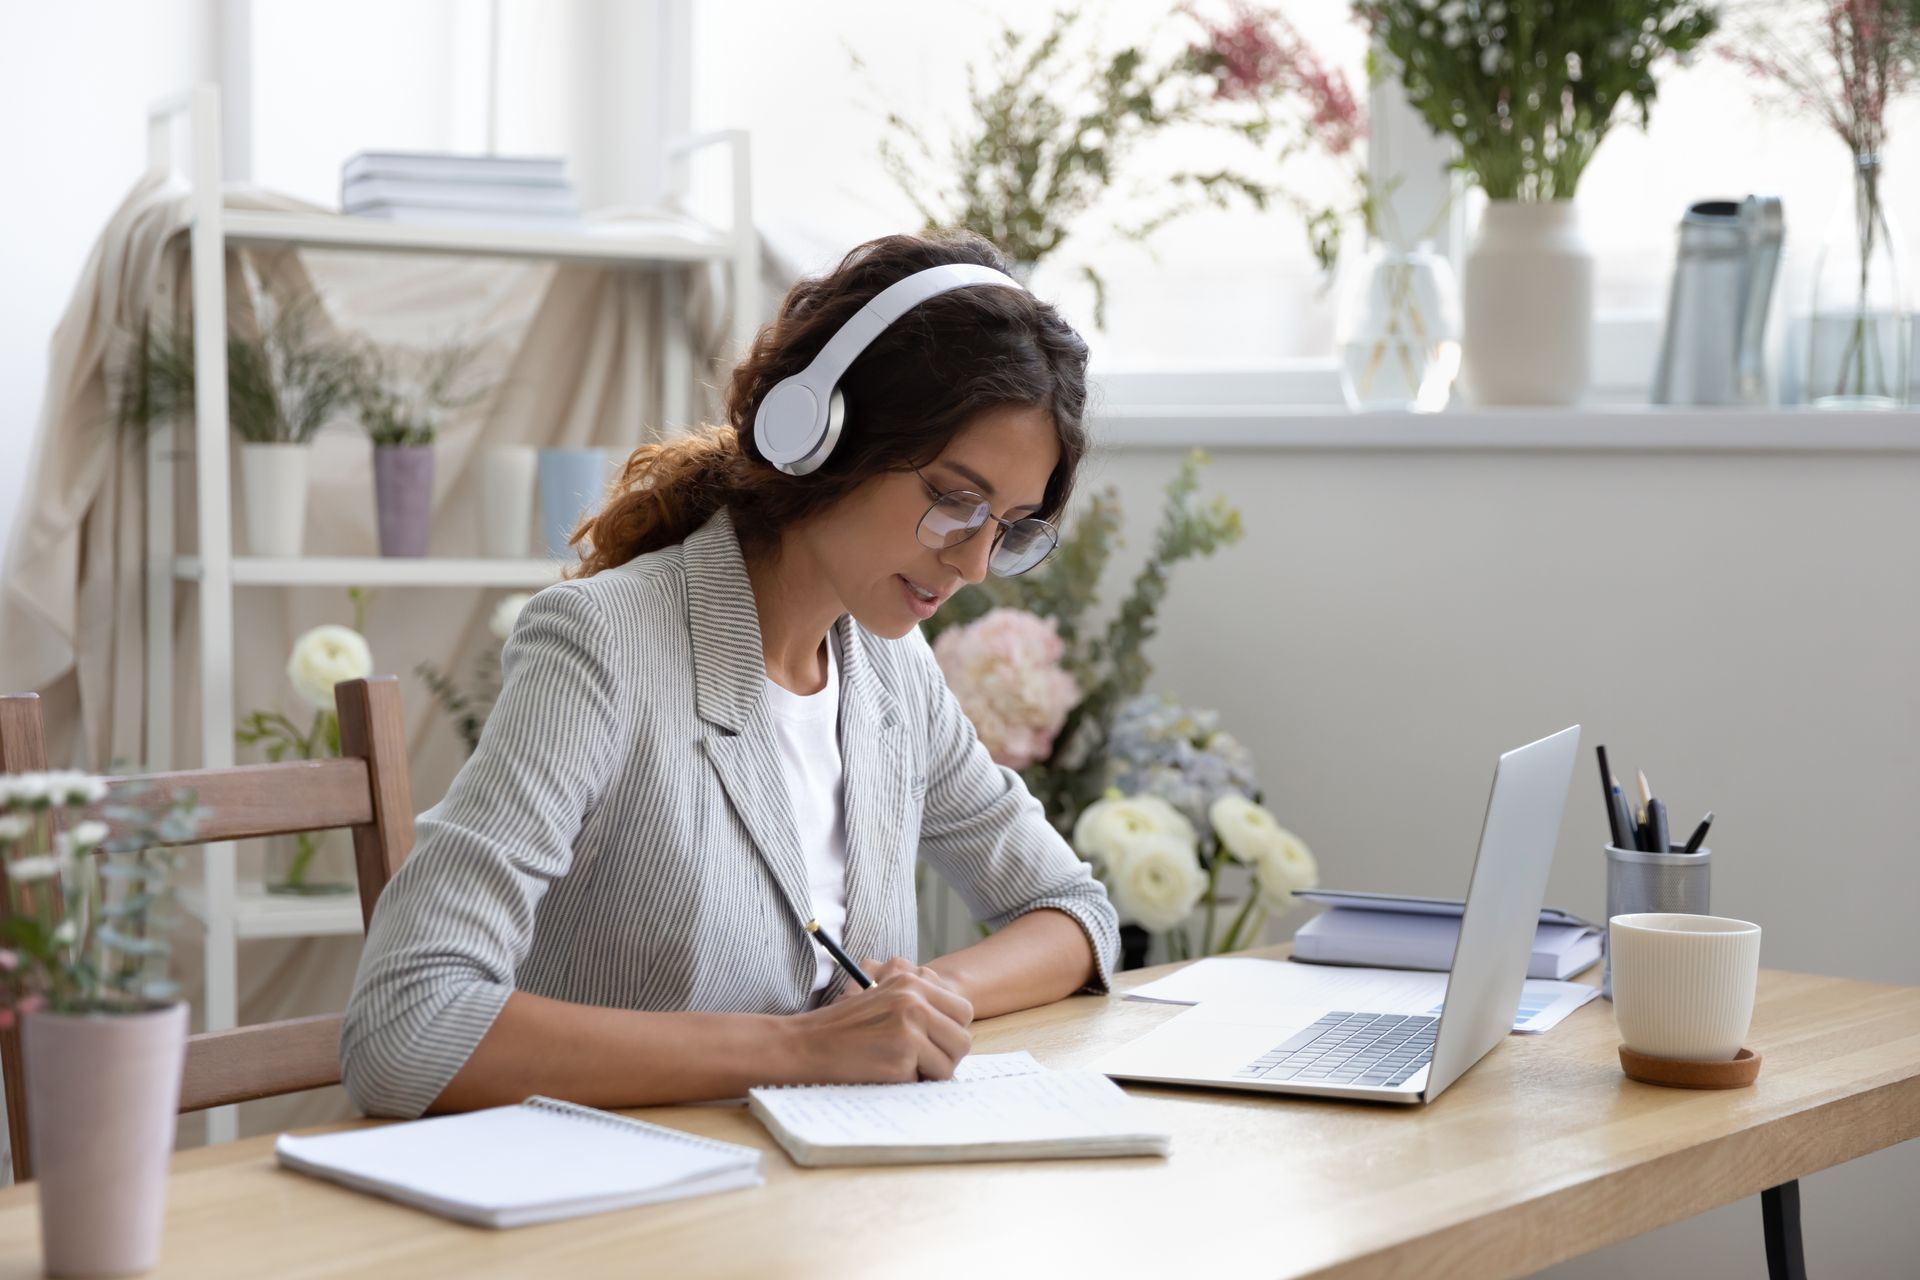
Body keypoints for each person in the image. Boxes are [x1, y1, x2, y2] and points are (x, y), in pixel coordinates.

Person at [339, 229, 1119, 1119]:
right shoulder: (605, 644)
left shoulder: (892, 675)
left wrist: (914, 1008)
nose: (975, 563)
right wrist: (804, 1049)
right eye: (953, 498)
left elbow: (1070, 912)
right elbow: (405, 1023)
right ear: (823, 433)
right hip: (618, 1215)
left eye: (1009, 525)